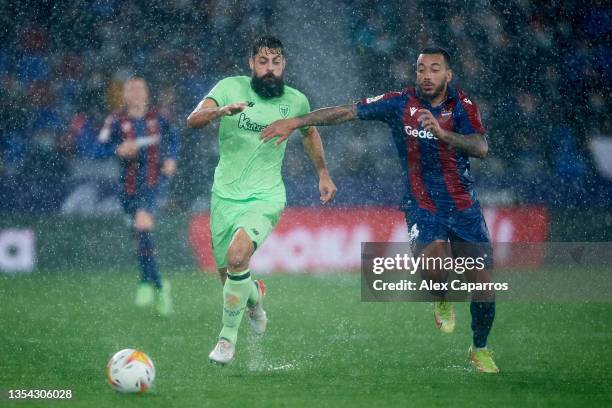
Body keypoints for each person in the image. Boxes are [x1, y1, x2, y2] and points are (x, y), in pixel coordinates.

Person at [262, 47, 499, 373]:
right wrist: (297, 121)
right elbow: (346, 112)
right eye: (420, 70)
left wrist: (443, 134)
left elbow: (481, 147)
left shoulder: (463, 106)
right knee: (433, 265)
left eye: (434, 69)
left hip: (463, 207)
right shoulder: (400, 102)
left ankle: (480, 348)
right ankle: (441, 298)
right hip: (422, 205)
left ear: (448, 75)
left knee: (483, 284)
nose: (426, 76)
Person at [186, 36, 337, 365]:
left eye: (276, 62)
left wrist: (323, 173)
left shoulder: (296, 101)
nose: (270, 69)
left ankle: (226, 340)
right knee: (230, 277)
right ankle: (254, 295)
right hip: (224, 197)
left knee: (238, 256)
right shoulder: (229, 87)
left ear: (283, 65)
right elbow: (192, 120)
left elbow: (310, 133)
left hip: (266, 196)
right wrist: (220, 111)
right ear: (251, 64)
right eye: (264, 62)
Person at [98, 76, 179, 316]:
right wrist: (117, 149)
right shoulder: (115, 121)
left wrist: (172, 158)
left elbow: (174, 139)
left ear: (147, 93)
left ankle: (146, 283)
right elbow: (95, 147)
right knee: (140, 236)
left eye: (140, 88)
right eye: (130, 89)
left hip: (154, 184)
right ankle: (158, 284)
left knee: (143, 224)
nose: (135, 92)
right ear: (124, 95)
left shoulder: (159, 117)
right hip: (128, 188)